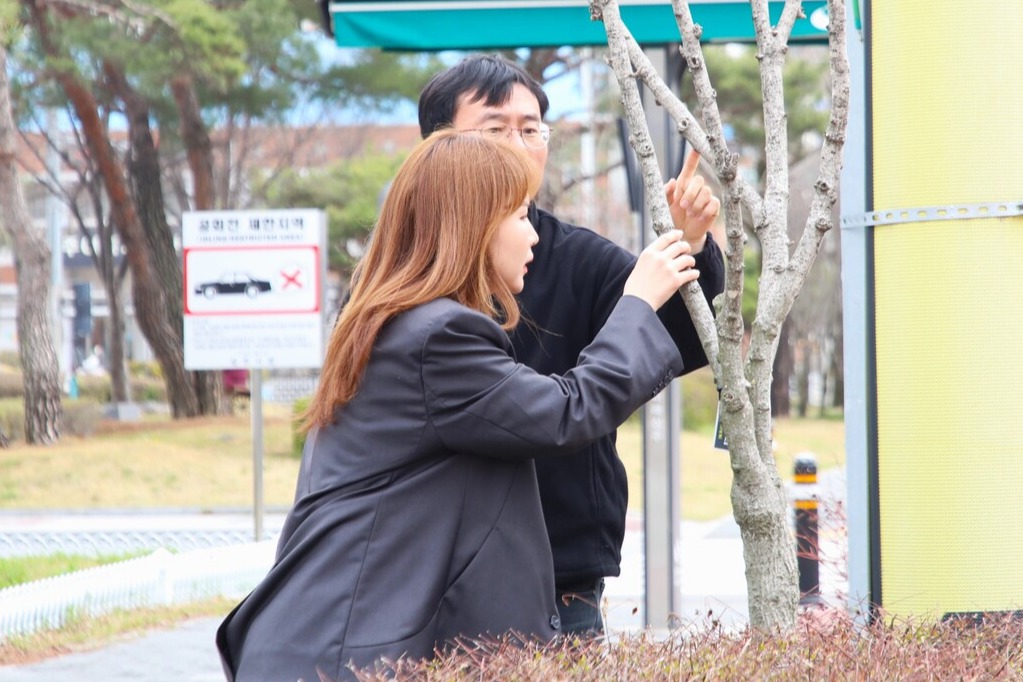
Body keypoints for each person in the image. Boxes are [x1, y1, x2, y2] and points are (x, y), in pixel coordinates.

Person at [216, 129, 702, 681]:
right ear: (473, 225)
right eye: (520, 216)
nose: (534, 238)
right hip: (350, 655)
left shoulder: (395, 321)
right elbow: (567, 413)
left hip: (334, 641)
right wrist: (637, 299)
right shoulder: (437, 337)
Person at [417, 53, 726, 634]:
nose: (518, 143)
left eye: (531, 129)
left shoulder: (579, 257)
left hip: (562, 572)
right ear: (440, 145)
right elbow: (556, 412)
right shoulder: (405, 273)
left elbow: (686, 336)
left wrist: (690, 248)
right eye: (495, 128)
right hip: (433, 571)